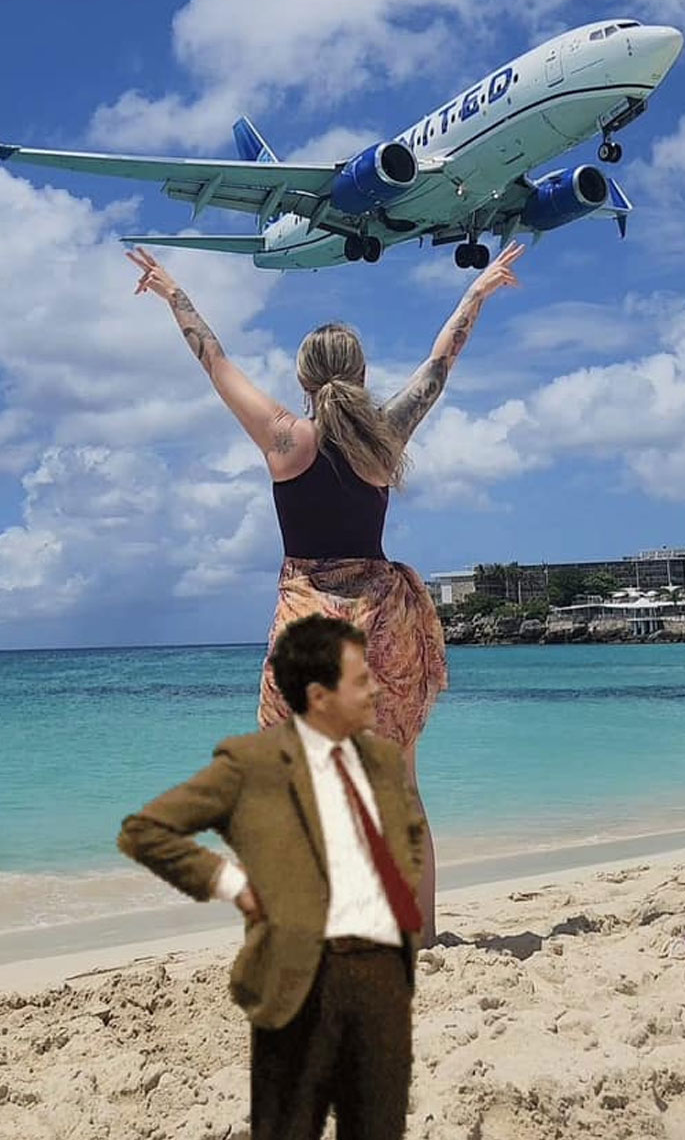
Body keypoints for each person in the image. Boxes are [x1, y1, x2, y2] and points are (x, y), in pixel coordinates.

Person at [127, 237, 523, 943]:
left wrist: (172, 293)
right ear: (362, 373)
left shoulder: (285, 438)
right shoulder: (386, 436)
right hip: (385, 622)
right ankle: (422, 931)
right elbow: (440, 363)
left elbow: (213, 360)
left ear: (304, 378)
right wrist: (476, 292)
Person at [118, 613, 425, 1140]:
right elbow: (146, 832)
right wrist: (232, 885)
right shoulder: (250, 765)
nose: (376, 686)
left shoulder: (381, 761)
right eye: (360, 680)